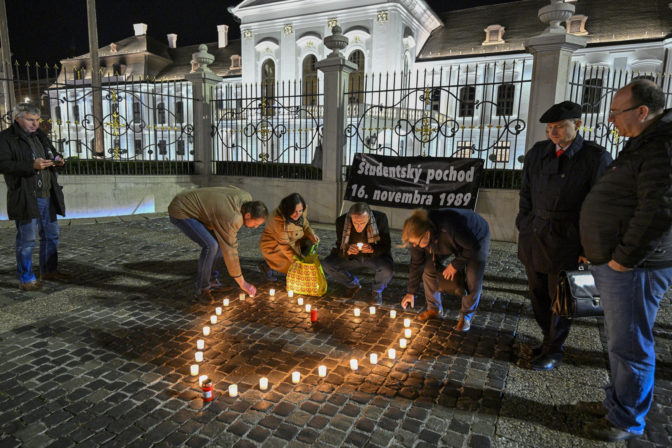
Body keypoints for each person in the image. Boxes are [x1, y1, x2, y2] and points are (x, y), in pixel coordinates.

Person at [579, 79, 672, 442]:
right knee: (620, 342)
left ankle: (625, 420)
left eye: (616, 112)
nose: (611, 120)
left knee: (630, 344)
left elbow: (659, 209)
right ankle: (617, 404)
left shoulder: (661, 146)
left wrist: (623, 259)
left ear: (642, 112)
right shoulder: (642, 144)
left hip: (635, 269)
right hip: (620, 264)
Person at [516, 101, 612, 371]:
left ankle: (554, 350)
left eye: (559, 126)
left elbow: (600, 207)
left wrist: (589, 247)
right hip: (535, 237)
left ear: (578, 125)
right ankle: (547, 341)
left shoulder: (596, 158)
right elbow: (525, 193)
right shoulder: (538, 153)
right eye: (549, 128)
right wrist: (523, 223)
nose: (553, 133)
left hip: (568, 240)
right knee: (538, 296)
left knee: (561, 300)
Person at [0, 102, 67, 291]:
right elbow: (3, 164)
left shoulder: (40, 135)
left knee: (51, 235)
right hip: (26, 196)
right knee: (27, 240)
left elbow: (52, 153)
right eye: (30, 120)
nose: (35, 124)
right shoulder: (6, 138)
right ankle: (26, 278)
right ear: (17, 118)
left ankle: (49, 270)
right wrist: (31, 166)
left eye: (37, 120)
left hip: (49, 194)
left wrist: (58, 160)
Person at [168, 186, 268, 302]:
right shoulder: (233, 218)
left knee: (219, 243)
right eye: (256, 223)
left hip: (194, 203)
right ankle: (202, 289)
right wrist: (242, 283)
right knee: (211, 246)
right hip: (182, 209)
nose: (256, 227)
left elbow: (228, 188)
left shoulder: (246, 197)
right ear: (248, 215)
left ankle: (212, 281)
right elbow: (230, 250)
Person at [400, 208, 490, 331]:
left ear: (427, 234)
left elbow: (473, 247)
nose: (415, 246)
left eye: (417, 243)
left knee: (473, 277)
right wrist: (411, 292)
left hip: (475, 237)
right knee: (428, 269)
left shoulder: (450, 227)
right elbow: (416, 264)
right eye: (412, 243)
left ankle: (465, 317)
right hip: (444, 241)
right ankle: (434, 309)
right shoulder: (417, 238)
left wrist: (455, 265)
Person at [322, 202, 393, 305]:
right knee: (327, 264)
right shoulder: (342, 221)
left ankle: (377, 291)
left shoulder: (380, 219)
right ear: (351, 218)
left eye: (363, 223)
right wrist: (348, 251)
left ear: (369, 217)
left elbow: (386, 245)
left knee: (387, 269)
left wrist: (372, 249)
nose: (359, 227)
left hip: (373, 257)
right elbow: (340, 246)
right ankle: (352, 285)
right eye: (356, 223)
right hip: (353, 257)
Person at [259, 193, 319, 281]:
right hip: (275, 246)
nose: (298, 214)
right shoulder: (278, 220)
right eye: (294, 211)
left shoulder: (300, 209)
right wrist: (297, 262)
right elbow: (284, 246)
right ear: (288, 210)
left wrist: (311, 234)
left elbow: (305, 225)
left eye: (300, 211)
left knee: (309, 243)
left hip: (293, 239)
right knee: (291, 265)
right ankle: (267, 265)